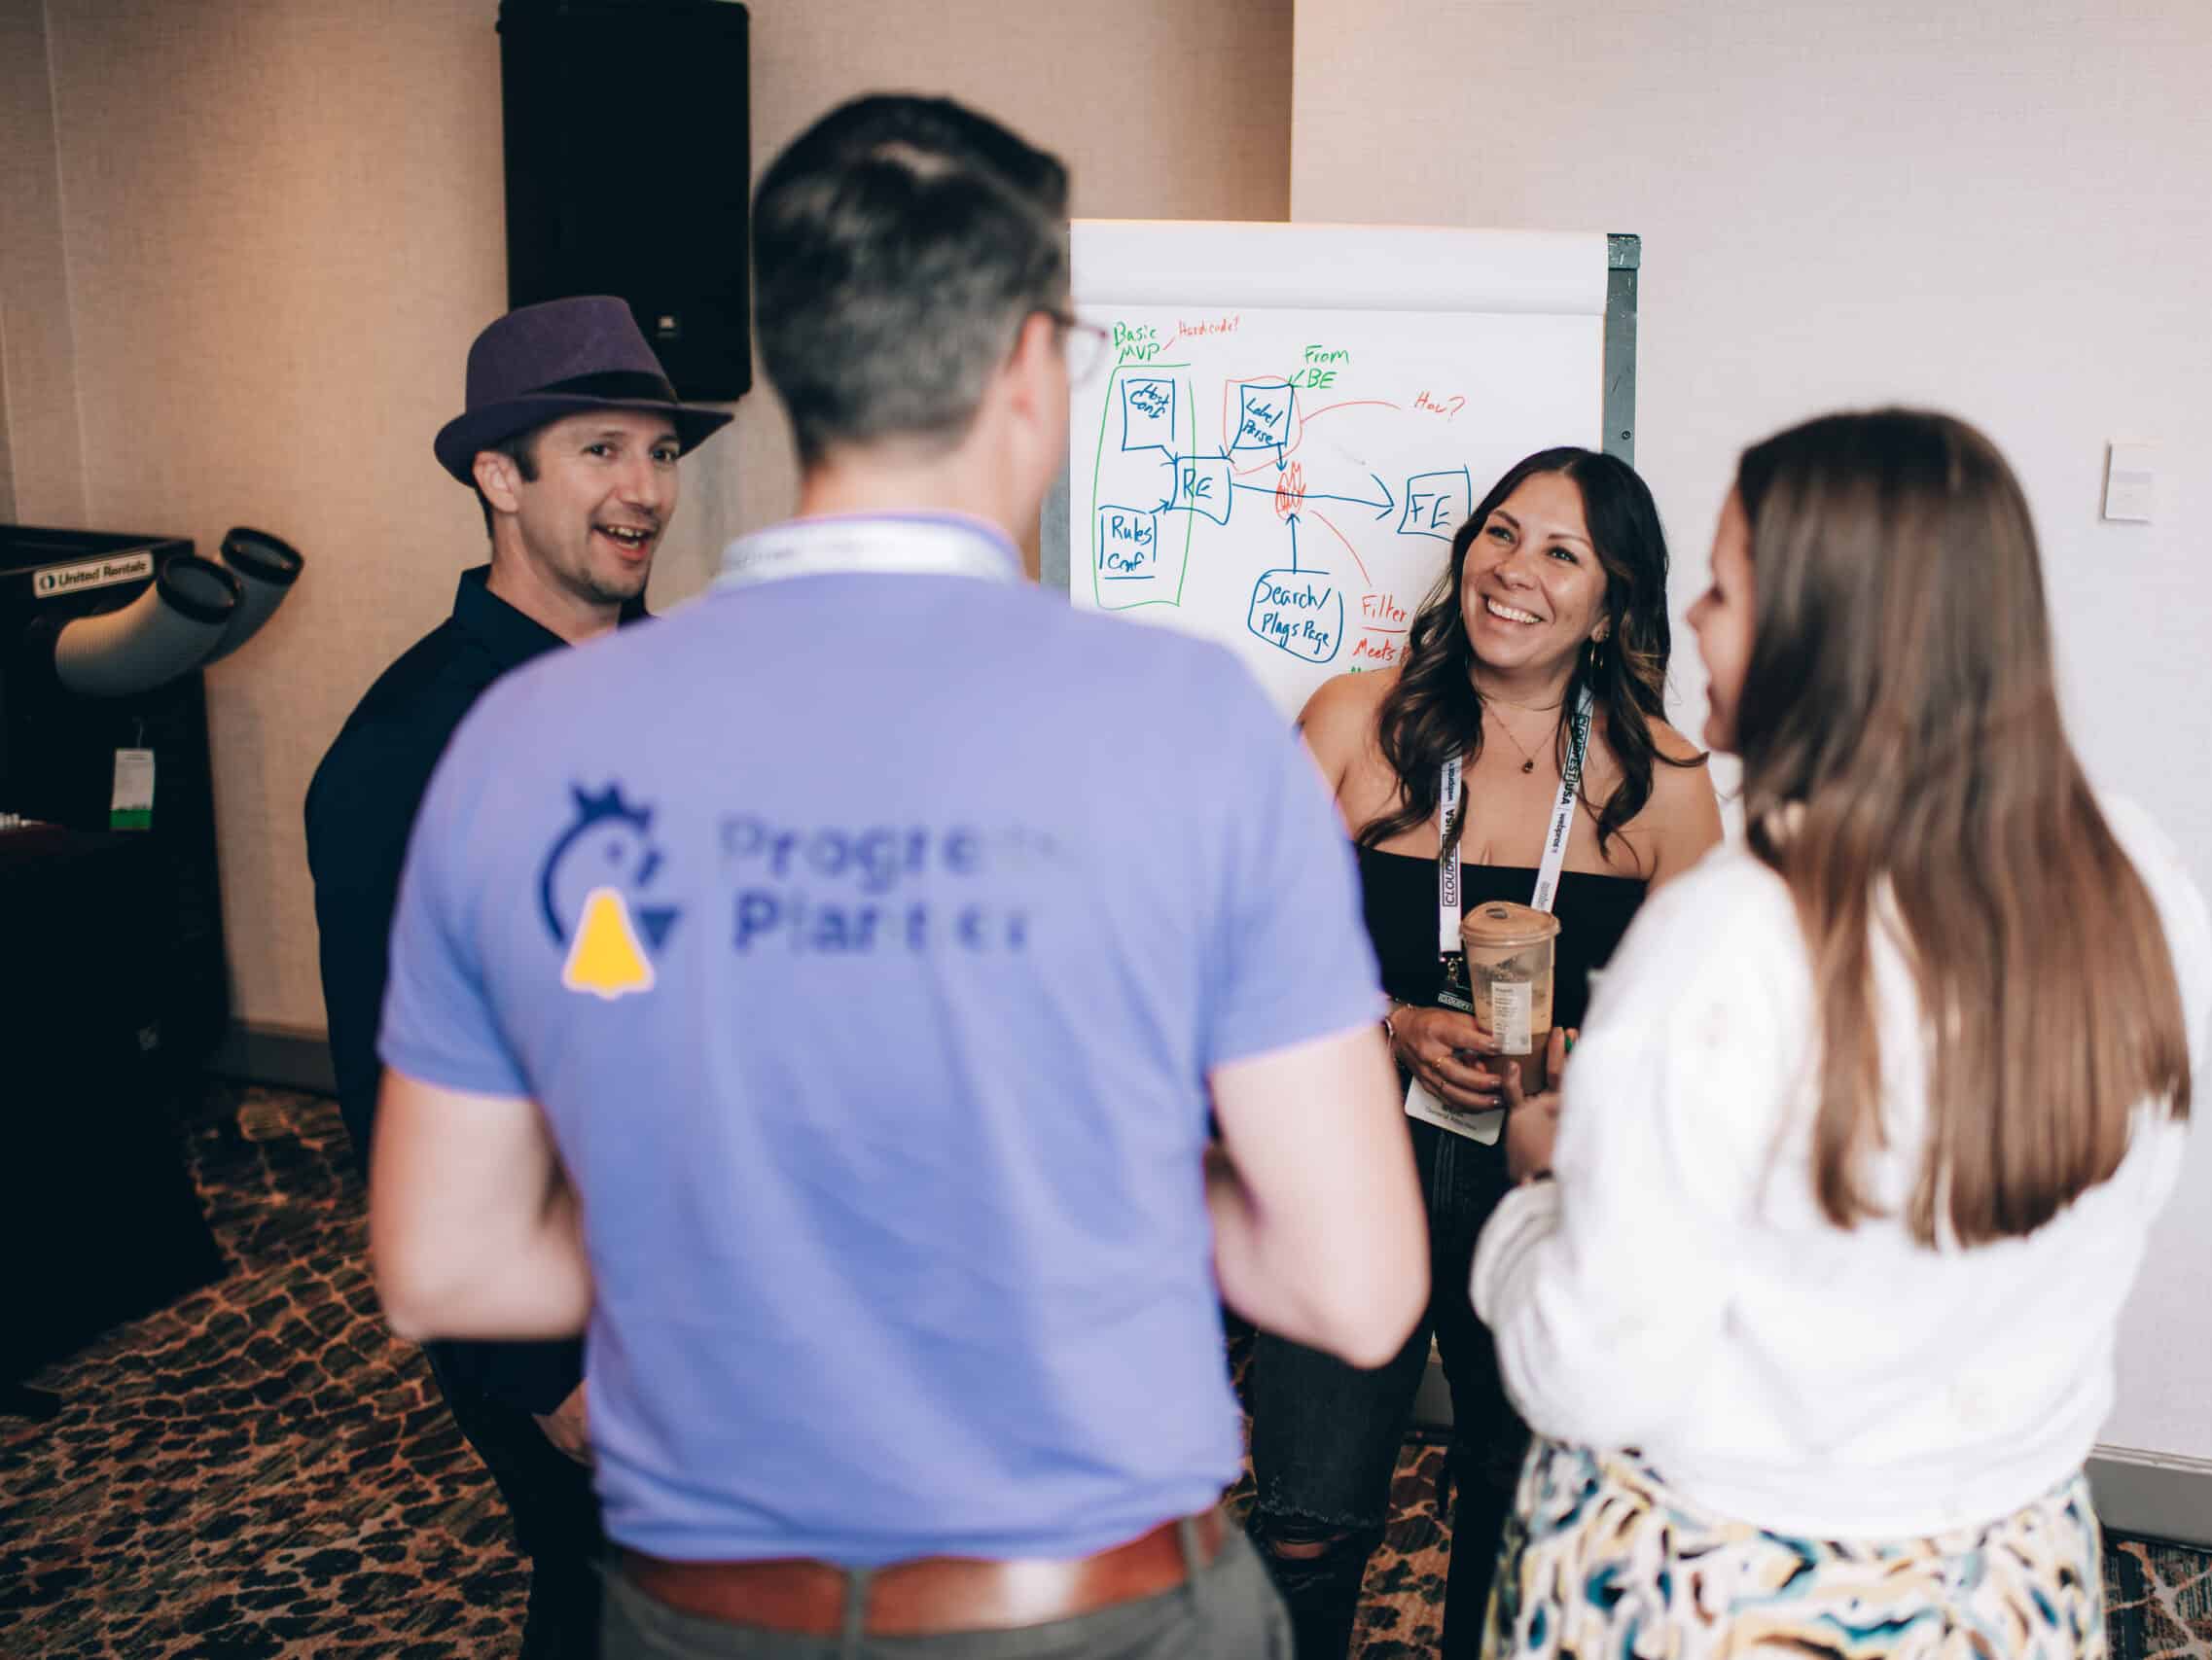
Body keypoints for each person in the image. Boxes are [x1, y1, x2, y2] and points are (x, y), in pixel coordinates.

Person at [364, 92, 1429, 1660]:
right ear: (1031, 369)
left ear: (799, 374)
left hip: (707, 1608)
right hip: (1092, 1609)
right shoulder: (1195, 726)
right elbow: (1353, 1284)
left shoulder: (526, 742)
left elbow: (443, 1257)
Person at [1472, 409, 2212, 1658]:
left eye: (1725, 587)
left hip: (1726, 1585)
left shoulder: (1733, 935)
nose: (1694, 616)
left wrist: (1543, 1191)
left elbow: (1592, 1375)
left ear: (1825, 627)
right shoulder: (2142, 879)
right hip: (2003, 1570)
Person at [305, 294, 728, 1657]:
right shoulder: (407, 749)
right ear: (500, 476)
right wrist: (538, 1364)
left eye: (661, 452)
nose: (645, 489)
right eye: (601, 449)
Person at [1255, 445, 1722, 1660]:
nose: (1512, 569)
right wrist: (1394, 1023)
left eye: (1561, 552)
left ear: (1610, 606)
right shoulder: (1354, 719)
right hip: (1354, 1160)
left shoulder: (1667, 781)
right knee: (1304, 1517)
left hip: (1547, 1179)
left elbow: (1701, 1029)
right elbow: (1253, 950)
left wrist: (1577, 1055)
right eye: (1500, 533)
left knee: (1522, 1520)